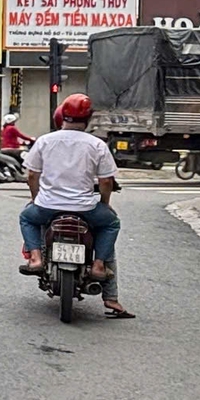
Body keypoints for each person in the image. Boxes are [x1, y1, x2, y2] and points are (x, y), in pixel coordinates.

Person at [18, 93, 132, 319]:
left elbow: (32, 175)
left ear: (62, 116)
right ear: (88, 118)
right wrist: (105, 204)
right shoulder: (96, 144)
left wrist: (36, 198)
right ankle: (100, 269)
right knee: (110, 224)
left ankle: (36, 258)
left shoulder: (45, 141)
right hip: (85, 209)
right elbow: (106, 181)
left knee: (28, 217)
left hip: (48, 206)